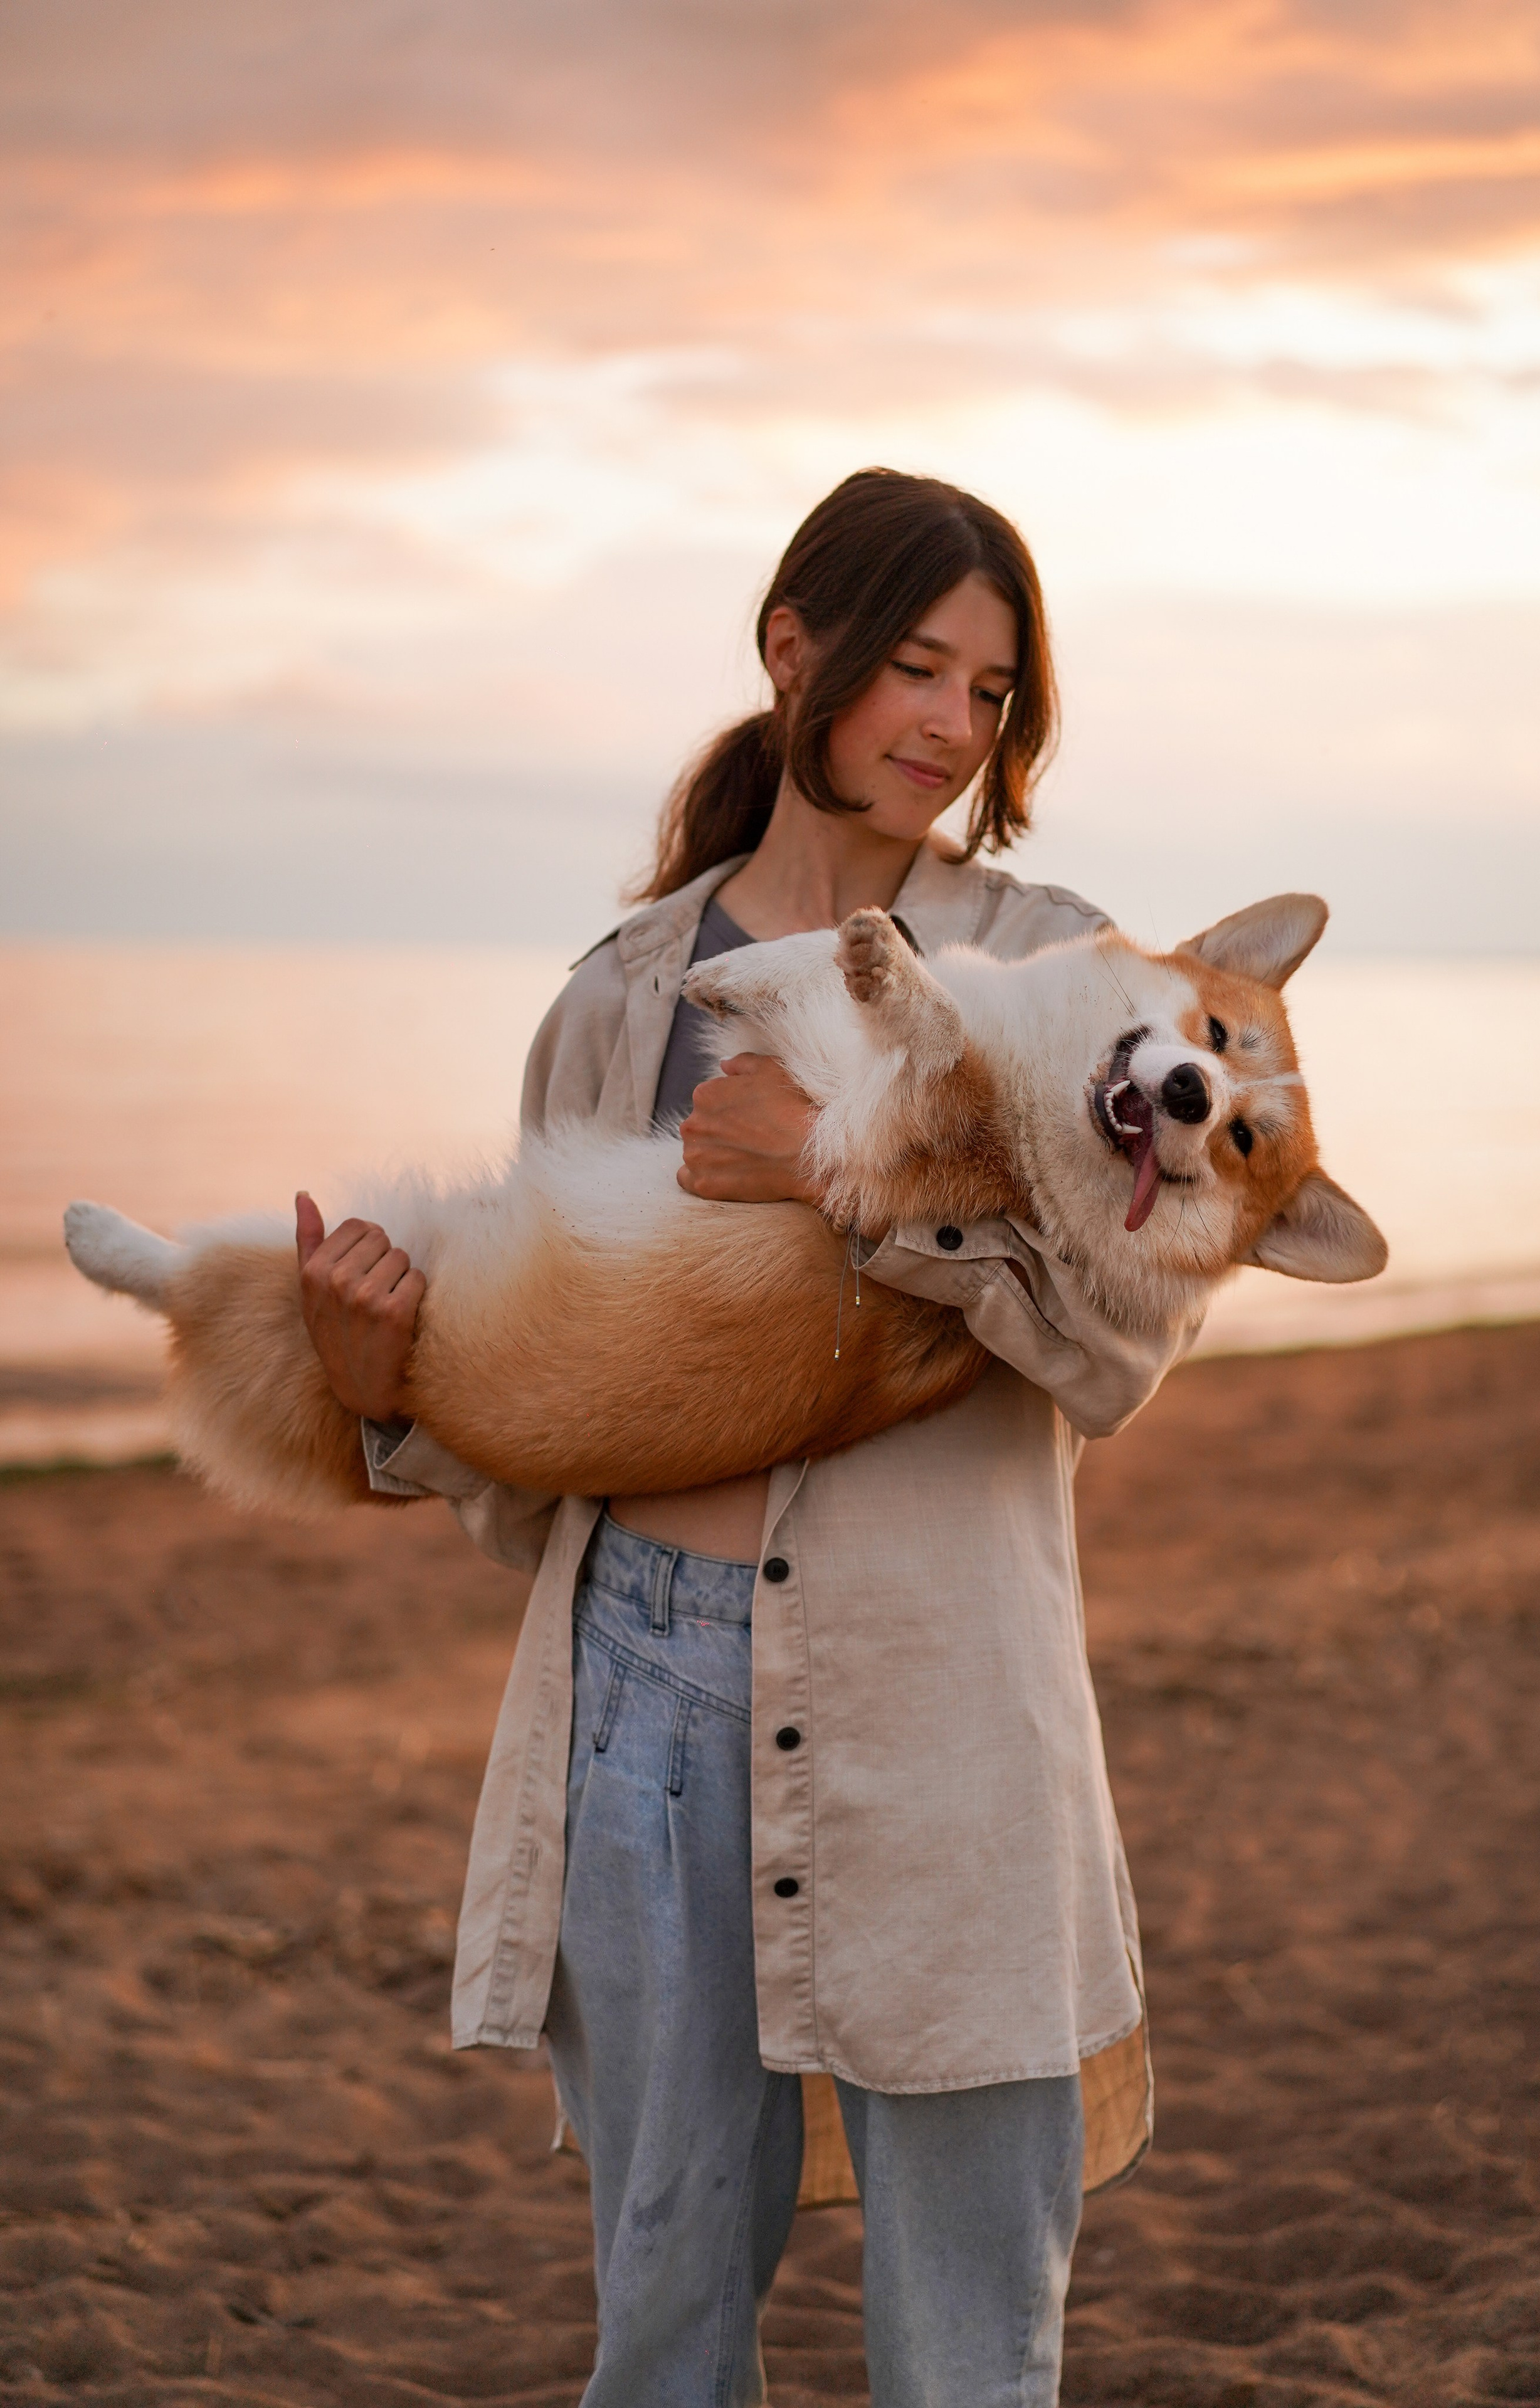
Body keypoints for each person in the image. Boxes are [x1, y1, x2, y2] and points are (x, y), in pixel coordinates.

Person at [294, 468, 1198, 2407]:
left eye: (993, 692)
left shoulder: (1060, 967)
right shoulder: (620, 999)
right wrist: (387, 1396)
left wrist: (850, 1178)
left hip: (942, 1686)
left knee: (972, 2338)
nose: (953, 728)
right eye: (916, 668)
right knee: (667, 2316)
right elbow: (540, 1420)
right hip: (635, 1685)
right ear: (796, 651)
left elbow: (1124, 1340)